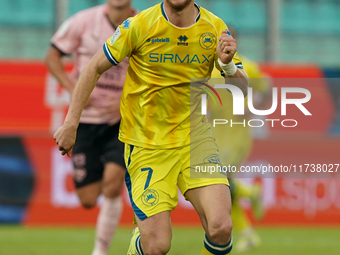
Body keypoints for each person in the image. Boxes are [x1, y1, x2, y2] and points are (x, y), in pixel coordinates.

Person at [53, 1, 248, 255]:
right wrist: (71, 123)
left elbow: (243, 90)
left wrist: (228, 65)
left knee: (221, 227)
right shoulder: (139, 25)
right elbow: (93, 67)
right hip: (147, 144)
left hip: (195, 140)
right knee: (157, 247)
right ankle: (141, 243)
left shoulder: (215, 27)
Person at [45, 1, 137, 255]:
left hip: (122, 119)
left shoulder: (144, 24)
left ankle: (100, 251)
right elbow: (52, 56)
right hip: (85, 120)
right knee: (87, 199)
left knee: (112, 183)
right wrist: (72, 87)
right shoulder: (83, 21)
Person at [210, 26, 271, 253]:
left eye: (228, 39)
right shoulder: (210, 67)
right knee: (223, 190)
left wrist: (251, 109)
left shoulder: (247, 66)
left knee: (221, 183)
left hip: (236, 135)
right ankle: (247, 233)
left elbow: (267, 89)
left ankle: (251, 193)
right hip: (215, 134)